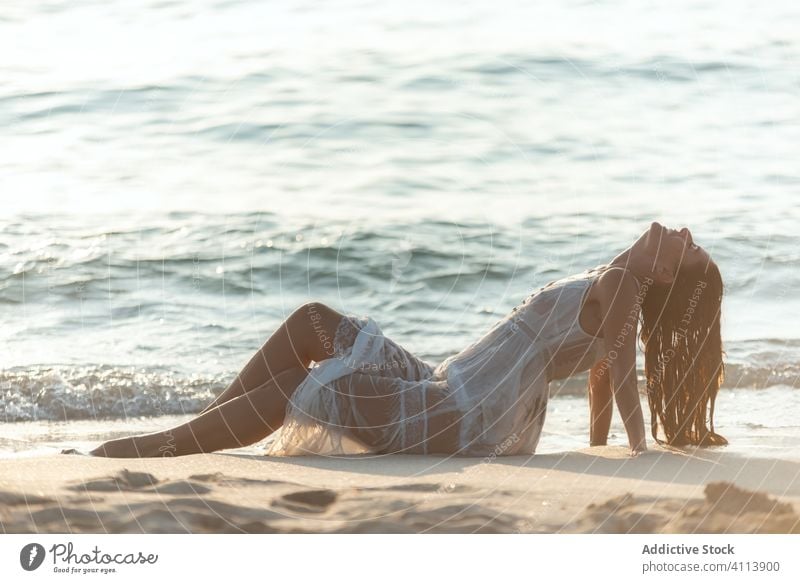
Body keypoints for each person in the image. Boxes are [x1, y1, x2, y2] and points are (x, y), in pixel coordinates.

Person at [88, 221, 727, 459]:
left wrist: (637, 452)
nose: (680, 227)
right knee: (315, 319)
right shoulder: (620, 284)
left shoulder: (621, 286)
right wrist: (601, 449)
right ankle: (198, 429)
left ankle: (158, 447)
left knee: (299, 386)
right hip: (448, 387)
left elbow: (616, 383)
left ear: (666, 272)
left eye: (686, 244)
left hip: (458, 413)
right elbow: (601, 376)